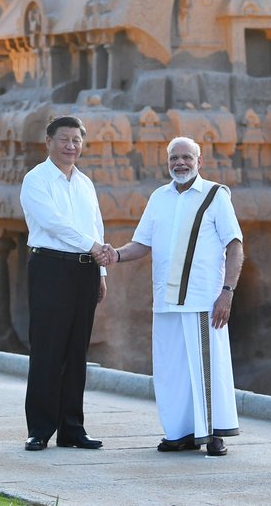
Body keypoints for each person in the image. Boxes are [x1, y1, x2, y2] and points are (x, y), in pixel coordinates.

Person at [96, 136, 242, 456]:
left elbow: (235, 246)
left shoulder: (216, 196)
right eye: (174, 158)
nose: (180, 163)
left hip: (204, 301)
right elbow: (142, 243)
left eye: (186, 157)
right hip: (165, 301)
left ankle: (213, 434)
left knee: (207, 368)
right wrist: (115, 256)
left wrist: (227, 293)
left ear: (198, 162)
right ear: (167, 163)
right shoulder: (158, 197)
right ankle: (180, 433)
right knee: (171, 368)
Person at [19, 115, 110, 452]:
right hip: (51, 268)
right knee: (47, 348)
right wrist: (93, 247)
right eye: (64, 139)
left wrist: (101, 272)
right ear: (49, 142)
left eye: (76, 140)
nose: (71, 146)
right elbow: (52, 223)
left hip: (85, 271)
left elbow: (95, 224)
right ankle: (40, 428)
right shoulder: (36, 180)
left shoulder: (85, 183)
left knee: (75, 351)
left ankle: (72, 428)